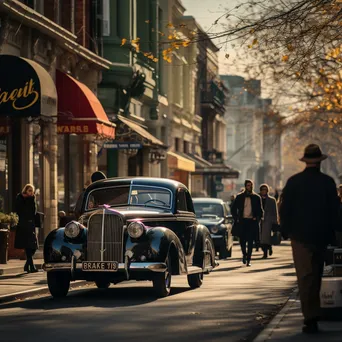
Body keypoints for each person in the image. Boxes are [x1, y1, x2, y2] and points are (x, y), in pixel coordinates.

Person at [280, 144, 339, 334]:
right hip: (321, 236)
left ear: (305, 161)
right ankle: (313, 313)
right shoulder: (328, 182)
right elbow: (335, 212)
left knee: (305, 276)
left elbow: (285, 209)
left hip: (300, 236)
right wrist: (335, 232)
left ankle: (310, 316)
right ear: (320, 162)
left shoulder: (294, 182)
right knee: (317, 275)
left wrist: (285, 231)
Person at [231, 179, 263, 266]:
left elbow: (260, 211)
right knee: (242, 241)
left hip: (252, 222)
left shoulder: (257, 197)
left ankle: (249, 260)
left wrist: (256, 218)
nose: (250, 187)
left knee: (250, 241)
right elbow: (233, 209)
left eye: (251, 185)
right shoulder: (239, 197)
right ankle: (244, 254)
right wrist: (236, 218)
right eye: (248, 185)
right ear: (245, 186)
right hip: (242, 222)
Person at [14, 184, 38, 273]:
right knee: (28, 246)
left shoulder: (32, 199)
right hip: (23, 225)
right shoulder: (19, 198)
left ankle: (27, 265)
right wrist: (28, 200)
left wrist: (32, 199)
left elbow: (34, 211)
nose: (31, 192)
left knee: (33, 247)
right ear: (25, 190)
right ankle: (31, 266)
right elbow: (20, 210)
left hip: (31, 224)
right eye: (29, 191)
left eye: (32, 191)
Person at [259, 184, 279, 259]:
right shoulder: (258, 199)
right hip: (259, 221)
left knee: (267, 238)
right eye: (262, 190)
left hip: (269, 221)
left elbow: (275, 211)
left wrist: (275, 221)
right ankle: (267, 248)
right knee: (261, 238)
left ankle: (266, 252)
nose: (264, 191)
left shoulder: (272, 200)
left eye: (265, 189)